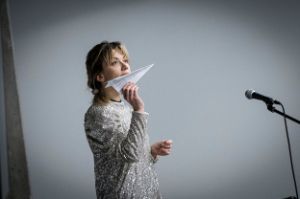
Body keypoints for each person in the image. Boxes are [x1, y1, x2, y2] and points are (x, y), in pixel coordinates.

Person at [84, 41, 173, 199]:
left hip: (147, 191)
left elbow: (126, 155)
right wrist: (139, 110)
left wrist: (150, 152)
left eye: (126, 60)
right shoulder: (97, 113)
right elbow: (128, 155)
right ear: (100, 76)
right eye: (115, 62)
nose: (125, 66)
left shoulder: (125, 108)